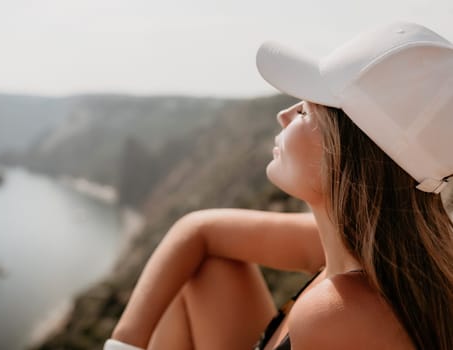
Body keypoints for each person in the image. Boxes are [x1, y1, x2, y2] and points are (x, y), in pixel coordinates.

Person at [104, 21, 453, 350]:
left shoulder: (337, 314)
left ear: (349, 156)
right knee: (209, 268)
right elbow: (200, 231)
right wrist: (124, 343)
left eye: (306, 112)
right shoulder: (373, 251)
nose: (283, 114)